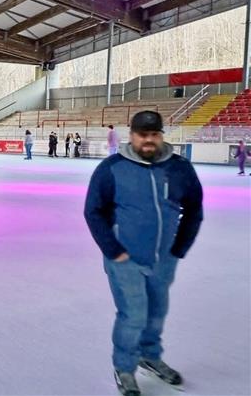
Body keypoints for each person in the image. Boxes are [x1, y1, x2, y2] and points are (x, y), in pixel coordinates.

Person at [84, 110, 203, 396]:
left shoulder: (179, 168)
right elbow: (93, 211)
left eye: (154, 135)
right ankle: (125, 367)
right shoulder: (112, 168)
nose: (148, 141)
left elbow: (194, 210)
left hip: (164, 259)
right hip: (125, 259)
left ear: (161, 135)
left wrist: (179, 249)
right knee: (134, 314)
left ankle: (149, 356)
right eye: (142, 135)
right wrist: (113, 250)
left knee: (157, 312)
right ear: (132, 135)